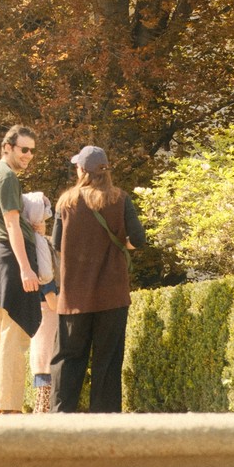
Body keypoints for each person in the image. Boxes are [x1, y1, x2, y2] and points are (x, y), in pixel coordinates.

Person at [50, 145, 145, 413]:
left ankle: (59, 418)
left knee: (68, 358)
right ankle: (104, 423)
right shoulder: (120, 199)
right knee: (107, 360)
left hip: (74, 296)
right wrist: (121, 248)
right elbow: (138, 239)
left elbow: (57, 243)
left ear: (81, 169)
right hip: (112, 295)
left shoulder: (66, 202)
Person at [0, 126, 41, 414]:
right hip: (12, 260)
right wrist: (26, 269)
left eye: (32, 150)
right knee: (14, 338)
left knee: (3, 336)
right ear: (8, 147)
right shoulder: (6, 177)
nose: (29, 155)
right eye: (23, 149)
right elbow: (11, 224)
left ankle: (0, 407)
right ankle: (10, 409)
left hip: (0, 259)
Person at [21, 192, 59, 413]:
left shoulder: (32, 243)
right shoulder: (38, 245)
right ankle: (45, 406)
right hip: (47, 307)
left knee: (42, 355)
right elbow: (47, 278)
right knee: (46, 356)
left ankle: (42, 406)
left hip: (40, 308)